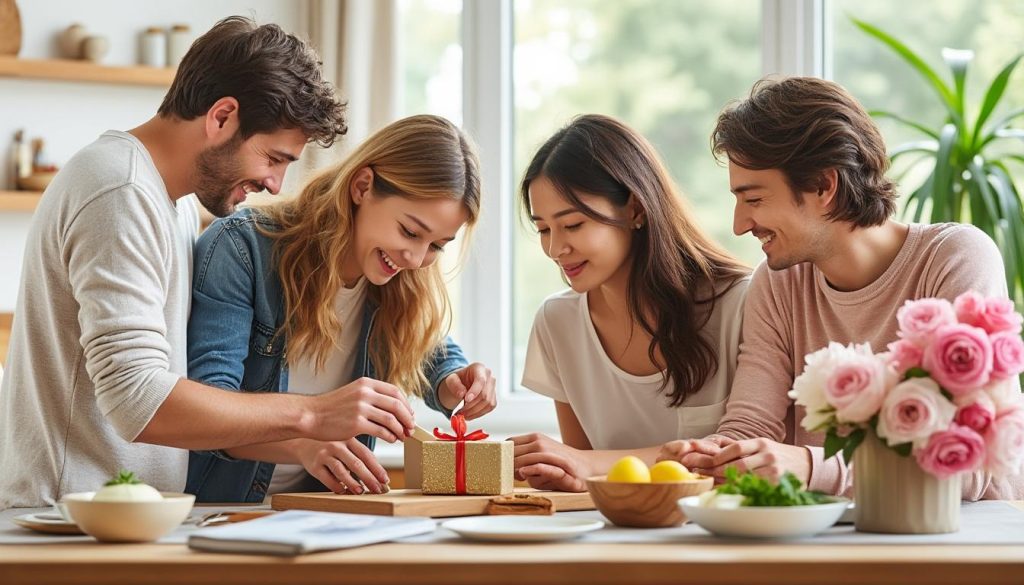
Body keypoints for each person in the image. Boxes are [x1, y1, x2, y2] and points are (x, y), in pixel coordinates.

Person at [0, 16, 389, 509]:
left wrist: (297, 438)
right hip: (68, 521)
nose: (276, 185)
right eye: (274, 158)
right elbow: (137, 401)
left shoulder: (174, 200)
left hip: (118, 519)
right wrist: (310, 415)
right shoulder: (118, 190)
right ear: (222, 117)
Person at [658, 76, 1024, 500]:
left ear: (823, 186)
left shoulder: (955, 258)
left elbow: (972, 465)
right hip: (840, 540)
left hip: (963, 544)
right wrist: (716, 456)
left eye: (754, 199)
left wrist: (811, 466)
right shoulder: (777, 283)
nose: (740, 224)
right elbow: (750, 426)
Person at [185, 115, 497, 502]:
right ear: (362, 187)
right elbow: (207, 412)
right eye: (410, 232)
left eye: (437, 245)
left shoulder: (400, 281)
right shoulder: (242, 248)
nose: (416, 258)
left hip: (325, 513)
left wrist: (454, 382)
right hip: (221, 509)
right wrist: (304, 442)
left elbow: (432, 351)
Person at [510, 114, 750, 492]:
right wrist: (558, 469)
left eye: (572, 225)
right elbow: (586, 480)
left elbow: (745, 457)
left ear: (635, 209)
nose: (556, 248)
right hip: (619, 534)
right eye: (543, 229)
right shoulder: (558, 322)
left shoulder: (739, 304)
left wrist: (587, 463)